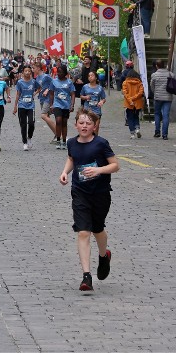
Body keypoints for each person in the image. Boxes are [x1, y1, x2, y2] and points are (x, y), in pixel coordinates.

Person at [59, 110, 119, 291]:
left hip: (100, 193)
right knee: (83, 231)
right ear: (75, 124)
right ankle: (86, 276)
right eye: (81, 123)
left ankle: (103, 256)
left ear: (94, 126)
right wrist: (64, 172)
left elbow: (115, 165)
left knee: (97, 228)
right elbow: (72, 159)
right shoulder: (71, 143)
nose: (84, 126)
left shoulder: (101, 144)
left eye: (88, 123)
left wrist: (99, 170)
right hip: (80, 192)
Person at [50, 65, 77, 148]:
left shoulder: (69, 82)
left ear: (65, 73)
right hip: (57, 104)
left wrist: (72, 105)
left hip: (66, 105)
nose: (59, 73)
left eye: (61, 72)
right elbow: (51, 93)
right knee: (58, 121)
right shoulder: (54, 81)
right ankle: (58, 139)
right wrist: (51, 105)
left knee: (64, 123)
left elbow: (72, 94)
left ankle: (64, 141)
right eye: (58, 72)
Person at [12, 64, 37, 150]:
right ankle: (25, 142)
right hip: (22, 105)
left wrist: (35, 93)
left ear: (31, 72)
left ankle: (29, 137)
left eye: (29, 71)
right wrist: (15, 106)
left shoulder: (33, 81)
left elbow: (39, 88)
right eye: (25, 71)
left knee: (31, 123)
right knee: (23, 124)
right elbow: (18, 94)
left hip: (31, 105)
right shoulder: (20, 82)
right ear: (22, 72)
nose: (27, 73)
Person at [149, 59, 173, 139]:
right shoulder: (170, 74)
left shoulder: (154, 75)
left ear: (156, 66)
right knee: (166, 115)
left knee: (157, 114)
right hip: (168, 97)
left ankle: (157, 132)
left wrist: (155, 92)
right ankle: (165, 134)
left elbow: (152, 86)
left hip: (158, 97)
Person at [121, 68, 145, 140]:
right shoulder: (139, 83)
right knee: (136, 116)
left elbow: (125, 93)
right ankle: (137, 128)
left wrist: (130, 100)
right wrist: (134, 98)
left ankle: (132, 134)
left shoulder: (125, 83)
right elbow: (140, 93)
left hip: (129, 103)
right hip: (137, 103)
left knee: (130, 118)